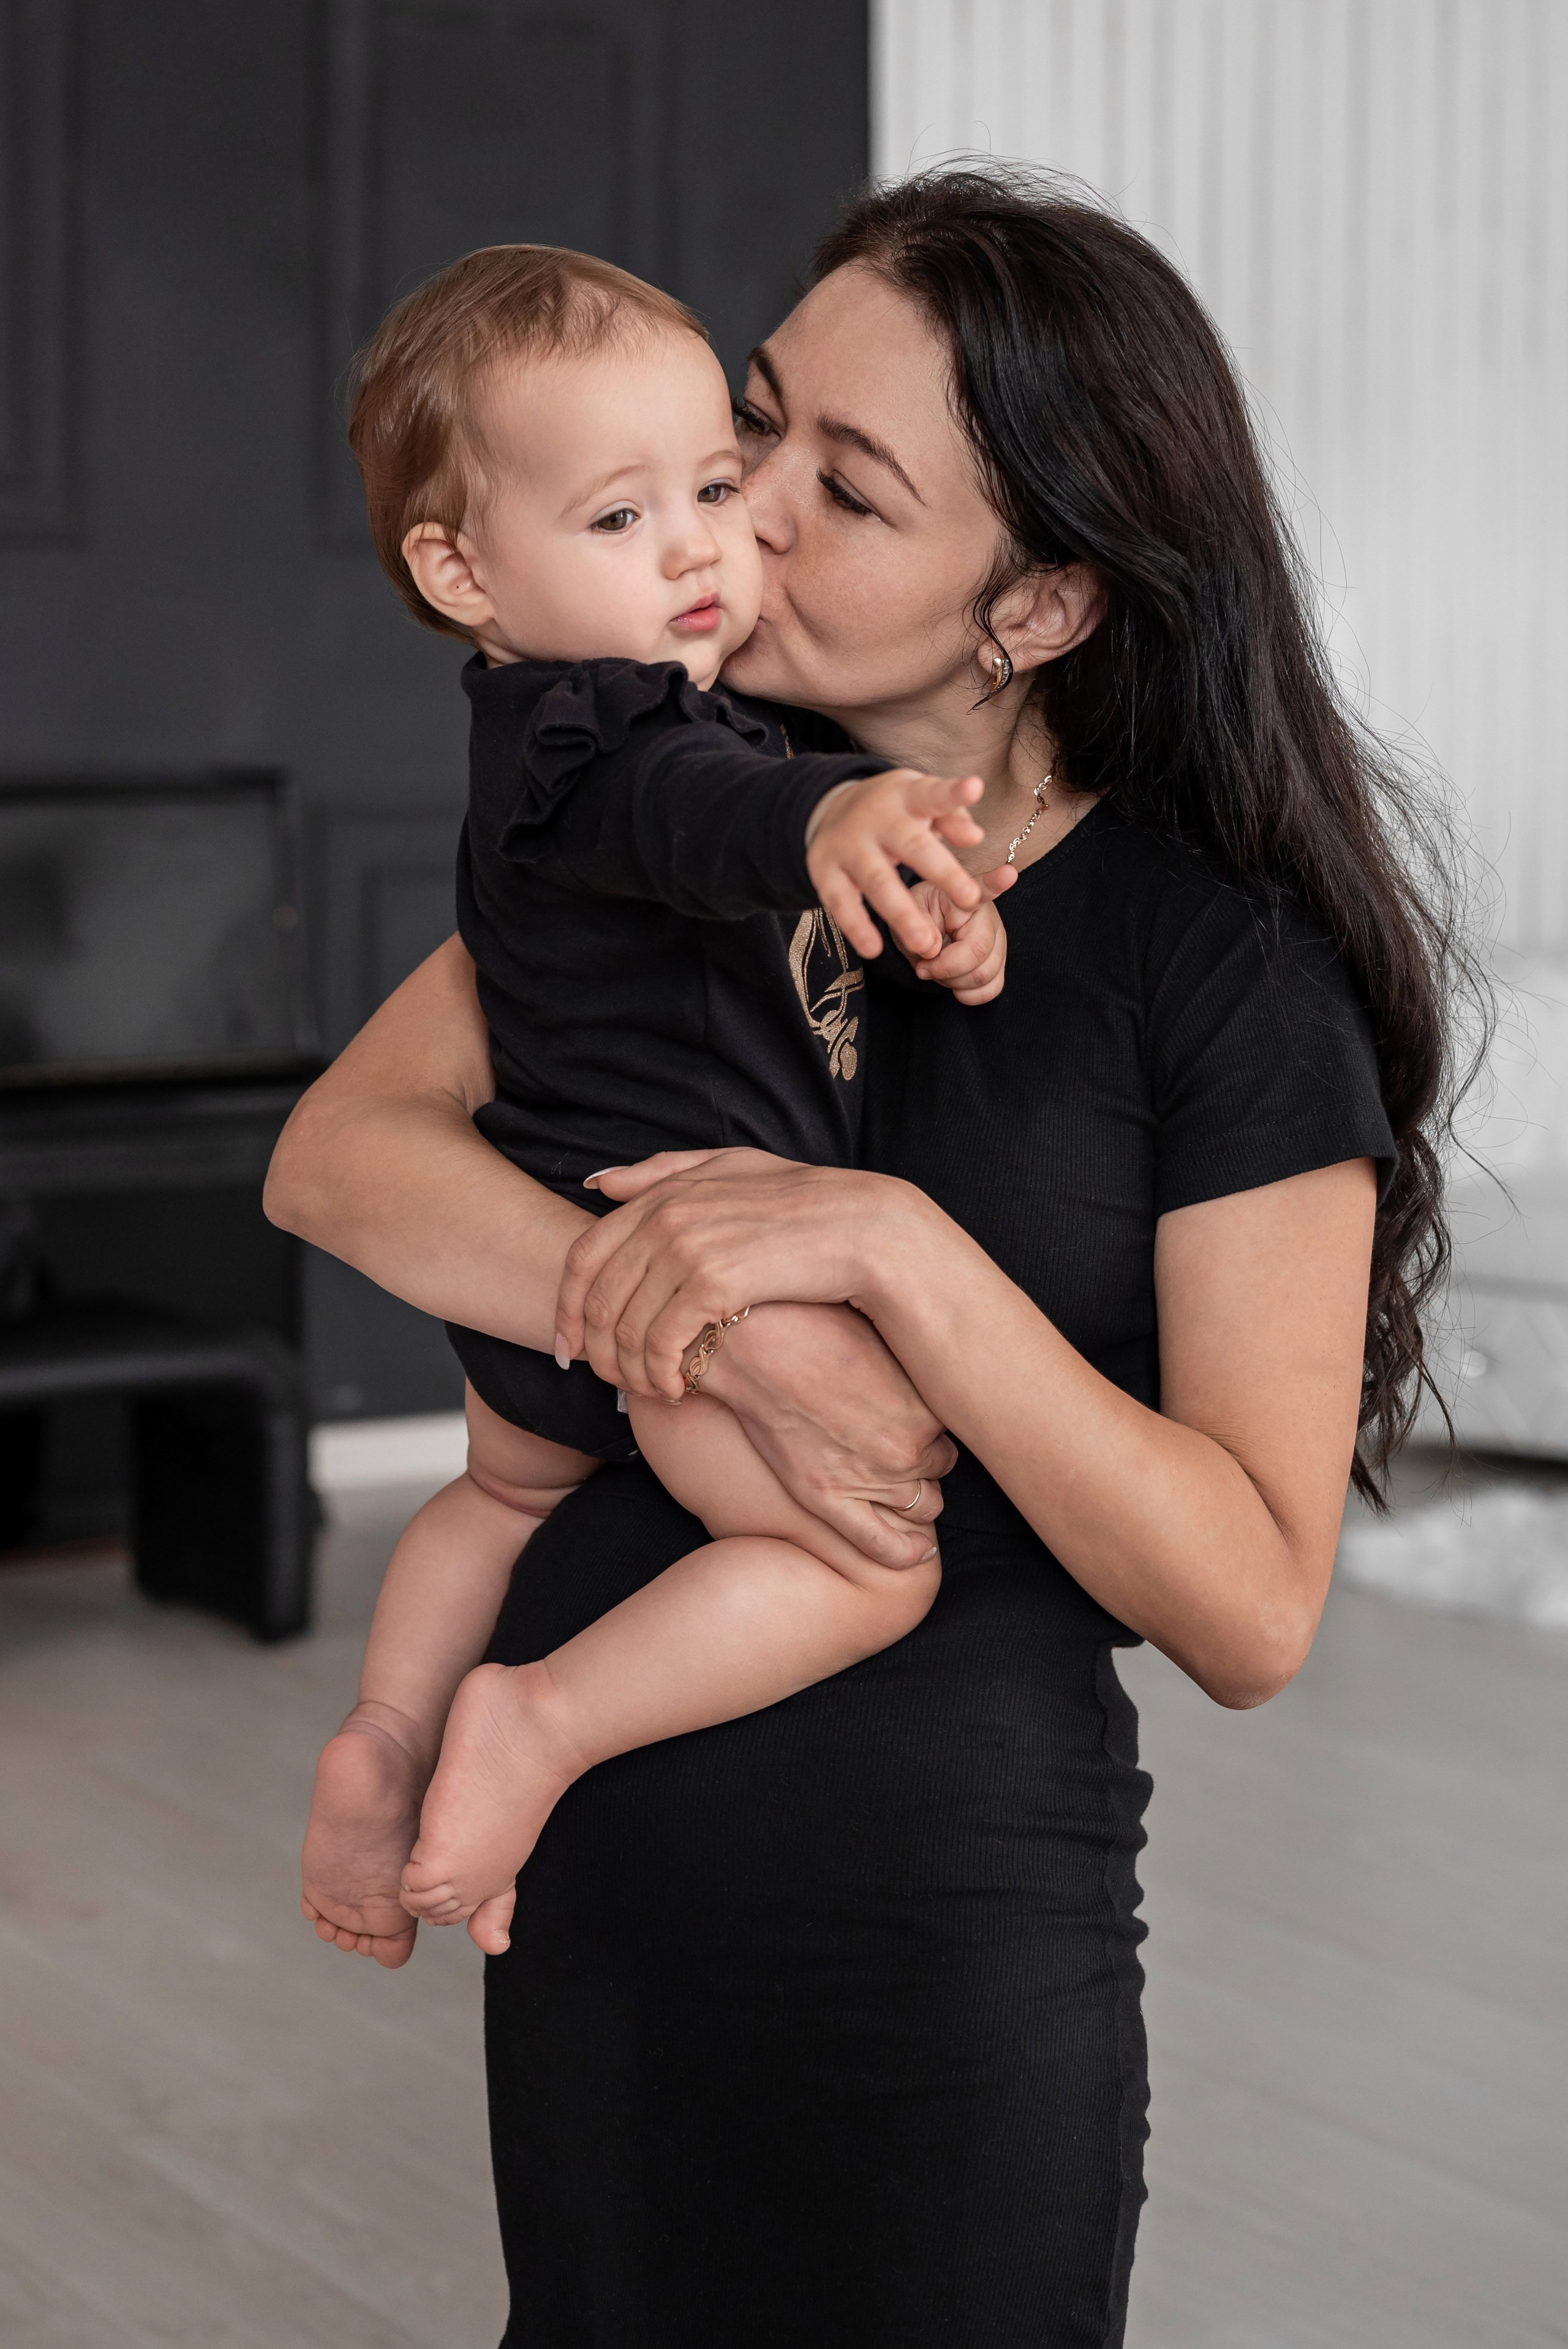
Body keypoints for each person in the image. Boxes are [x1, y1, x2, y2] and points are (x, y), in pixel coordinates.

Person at [266, 165, 1459, 2347]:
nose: (742, 517)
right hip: (597, 1911)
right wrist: (671, 1318)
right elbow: (341, 1164)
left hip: (935, 1961)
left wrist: (896, 1259)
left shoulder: (1218, 971)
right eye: (752, 428)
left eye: (848, 482)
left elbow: (1252, 1597)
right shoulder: (673, 810)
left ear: (1037, 607)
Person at [298, 241, 1016, 1954]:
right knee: (871, 1565)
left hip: (539, 1256)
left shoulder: (547, 740)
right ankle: (540, 1717)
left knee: (498, 1497)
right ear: (460, 568)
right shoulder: (602, 737)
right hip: (683, 1270)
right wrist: (840, 825)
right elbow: (700, 817)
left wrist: (919, 922)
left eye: (712, 480)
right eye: (619, 519)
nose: (703, 543)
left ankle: (385, 1736)